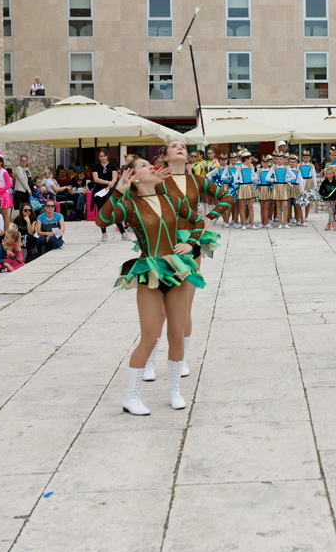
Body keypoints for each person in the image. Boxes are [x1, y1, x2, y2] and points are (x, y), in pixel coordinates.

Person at [99, 158, 206, 416]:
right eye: (145, 166)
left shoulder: (170, 199)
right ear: (134, 177)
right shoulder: (129, 205)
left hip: (176, 269)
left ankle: (174, 391)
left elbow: (198, 222)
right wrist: (118, 190)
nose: (152, 167)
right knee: (149, 336)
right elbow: (102, 220)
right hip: (149, 272)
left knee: (176, 334)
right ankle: (130, 397)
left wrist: (190, 243)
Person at [153, 140, 234, 378]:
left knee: (184, 305)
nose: (180, 149)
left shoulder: (197, 181)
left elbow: (227, 197)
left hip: (191, 242)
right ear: (166, 156)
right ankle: (149, 358)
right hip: (162, 243)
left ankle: (182, 356)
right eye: (174, 146)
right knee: (159, 308)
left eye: (184, 147)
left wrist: (209, 219)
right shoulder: (159, 180)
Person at [91, 149, 129, 241]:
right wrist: (107, 183)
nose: (102, 158)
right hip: (100, 190)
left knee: (114, 210)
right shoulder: (96, 166)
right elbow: (96, 178)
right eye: (101, 156)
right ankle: (104, 233)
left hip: (110, 190)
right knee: (102, 211)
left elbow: (115, 177)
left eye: (104, 155)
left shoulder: (112, 165)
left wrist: (110, 185)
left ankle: (123, 233)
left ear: (107, 156)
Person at [319, 166, 336, 230]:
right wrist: (323, 195)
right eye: (327, 174)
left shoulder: (335, 182)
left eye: (330, 174)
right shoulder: (324, 182)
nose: (329, 175)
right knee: (330, 211)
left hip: (333, 199)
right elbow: (320, 190)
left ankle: (328, 224)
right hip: (326, 199)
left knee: (333, 211)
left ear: (333, 174)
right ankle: (334, 224)